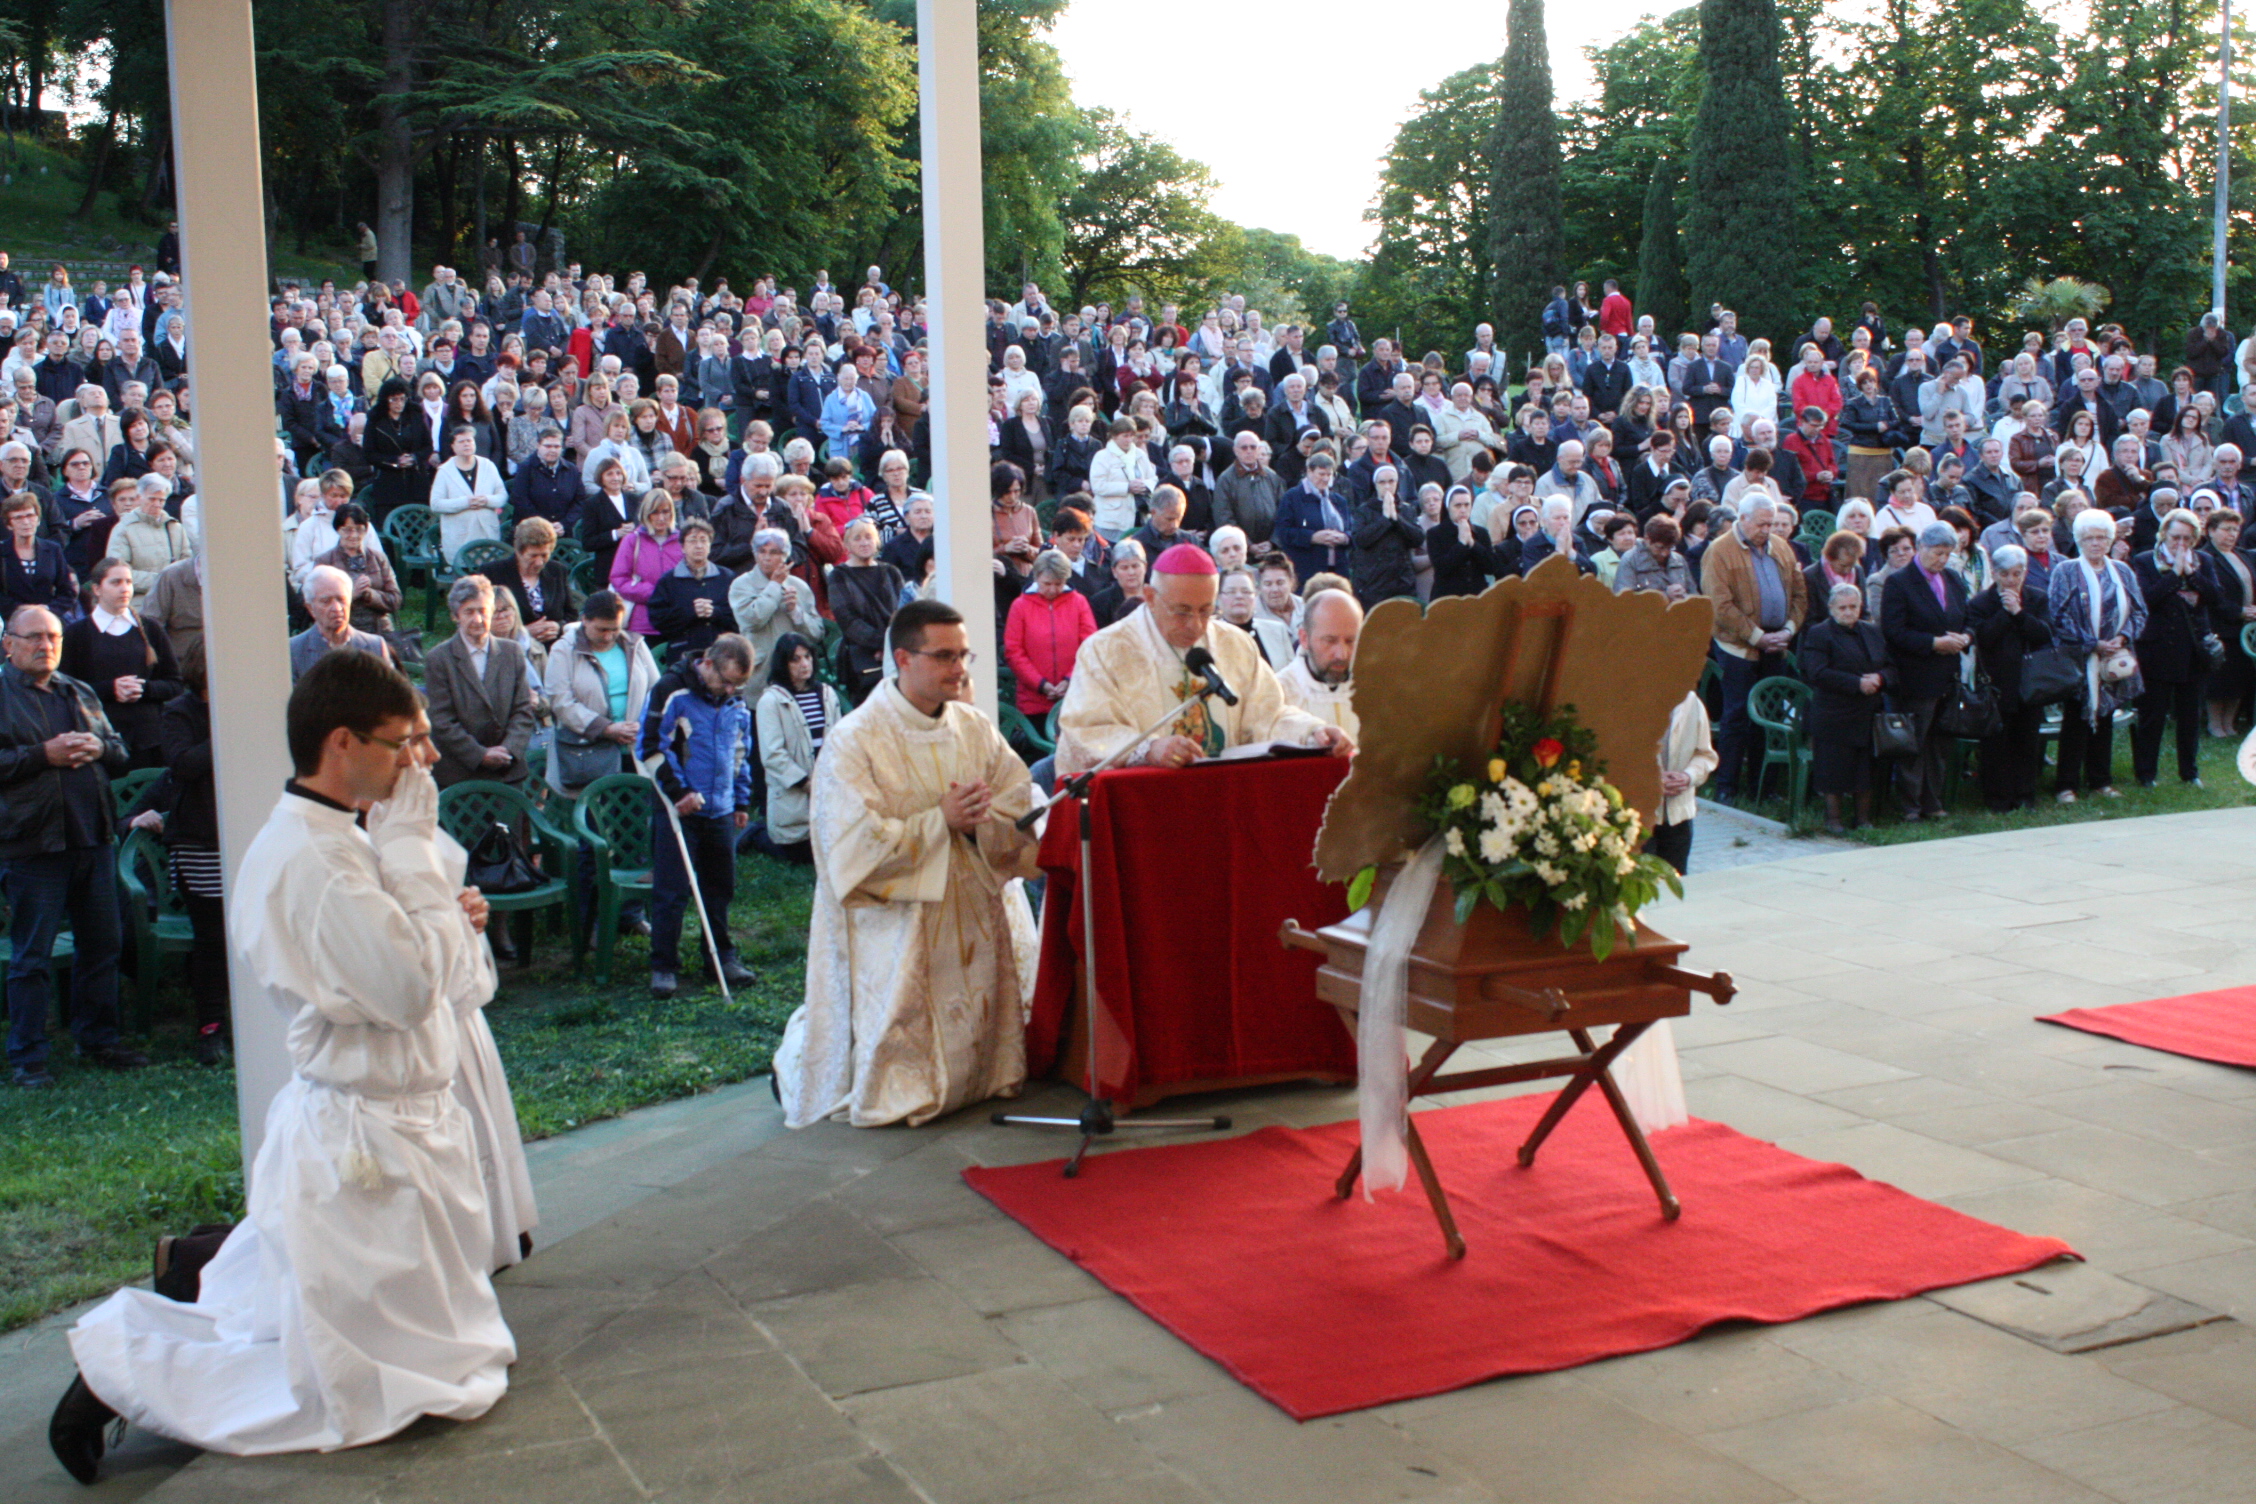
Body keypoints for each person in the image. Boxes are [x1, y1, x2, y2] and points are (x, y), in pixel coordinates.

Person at [52, 651, 514, 1478]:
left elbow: (450, 982)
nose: (420, 762)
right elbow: (407, 987)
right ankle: (119, 1376)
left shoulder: (348, 836)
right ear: (342, 742)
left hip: (405, 1115)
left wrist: (453, 917)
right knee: (345, 1385)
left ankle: (187, 1278)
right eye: (404, 742)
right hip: (363, 1129)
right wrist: (415, 861)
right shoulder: (315, 859)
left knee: (421, 1359)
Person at [772, 599, 1041, 1127]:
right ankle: (898, 1085)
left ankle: (984, 1074)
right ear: (902, 658)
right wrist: (938, 821)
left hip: (968, 899)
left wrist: (991, 819)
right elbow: (848, 846)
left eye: (964, 655)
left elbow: (1015, 793)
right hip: (897, 913)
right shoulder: (855, 740)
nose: (959, 669)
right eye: (944, 656)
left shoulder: (974, 725)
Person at [1055, 543, 1350, 774]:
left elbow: (1269, 715)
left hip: (1222, 796)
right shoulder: (1106, 651)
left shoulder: (1234, 644)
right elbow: (1086, 730)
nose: (1196, 625)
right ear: (1150, 596)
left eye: (1206, 610)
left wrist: (1313, 733)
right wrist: (1149, 749)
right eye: (1182, 611)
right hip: (1146, 806)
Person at [2, 603, 141, 1089]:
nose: (45, 646)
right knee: (32, 956)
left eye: (53, 637)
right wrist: (44, 755)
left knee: (103, 944)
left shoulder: (78, 690)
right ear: (9, 644)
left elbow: (121, 753)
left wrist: (100, 748)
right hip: (33, 845)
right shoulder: (2, 694)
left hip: (94, 838)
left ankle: (98, 1038)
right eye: (34, 637)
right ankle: (28, 1057)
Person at [637, 633, 756, 999]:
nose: (728, 689)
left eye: (737, 684)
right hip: (678, 806)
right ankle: (663, 965)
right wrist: (680, 793)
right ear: (706, 662)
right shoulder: (671, 691)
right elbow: (651, 746)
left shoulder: (734, 699)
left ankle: (720, 957)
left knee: (720, 887)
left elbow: (740, 750)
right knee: (672, 889)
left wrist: (740, 801)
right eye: (724, 680)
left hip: (719, 807)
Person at [1701, 495, 1807, 800]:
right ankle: (1727, 787)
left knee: (1770, 717)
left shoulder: (1781, 547)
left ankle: (1764, 789)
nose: (1767, 529)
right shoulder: (1719, 551)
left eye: (1771, 523)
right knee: (1737, 717)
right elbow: (1720, 605)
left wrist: (1788, 629)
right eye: (1761, 523)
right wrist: (1756, 636)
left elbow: (1800, 593)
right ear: (1742, 519)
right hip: (1738, 646)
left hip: (1776, 643)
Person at [1879, 521, 1973, 821]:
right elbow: (1894, 631)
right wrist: (1934, 642)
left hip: (1949, 675)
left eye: (1947, 553)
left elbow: (1968, 619)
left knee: (1940, 743)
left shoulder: (1954, 580)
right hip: (1916, 676)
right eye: (1937, 553)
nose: (1942, 559)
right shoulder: (1899, 582)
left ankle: (1934, 802)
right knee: (1915, 743)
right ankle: (1910, 805)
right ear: (1920, 548)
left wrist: (1966, 637)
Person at [2050, 509, 2145, 802]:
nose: (2096, 543)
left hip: (2113, 660)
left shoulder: (2123, 571)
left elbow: (2140, 610)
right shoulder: (2066, 571)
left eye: (2102, 537)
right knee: (2076, 721)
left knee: (2105, 716)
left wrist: (2123, 637)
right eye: (2089, 538)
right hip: (2080, 660)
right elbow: (2057, 615)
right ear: (2079, 540)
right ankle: (2066, 785)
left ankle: (2101, 781)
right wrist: (2092, 643)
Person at [61, 555, 182, 769]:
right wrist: (111, 689)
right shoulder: (77, 634)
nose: (124, 588)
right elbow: (65, 690)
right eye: (115, 582)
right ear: (97, 589)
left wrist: (143, 689)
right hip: (101, 740)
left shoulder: (151, 628)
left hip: (151, 740)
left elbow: (175, 684)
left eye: (128, 582)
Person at [2130, 506, 2218, 788]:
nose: (2181, 544)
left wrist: (2191, 576)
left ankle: (2189, 772)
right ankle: (2146, 774)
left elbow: (2215, 596)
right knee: (2152, 715)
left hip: (2194, 649)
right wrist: (2174, 575)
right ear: (2164, 534)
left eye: (2187, 539)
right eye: (2175, 538)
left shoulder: (2204, 560)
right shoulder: (2145, 560)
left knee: (2190, 716)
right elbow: (2146, 599)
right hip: (2157, 648)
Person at [424, 574, 537, 789]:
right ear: (455, 616)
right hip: (461, 775)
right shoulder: (439, 659)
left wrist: (509, 750)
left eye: (483, 610)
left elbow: (523, 708)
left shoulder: (512, 652)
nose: (478, 619)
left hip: (508, 772)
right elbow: (441, 720)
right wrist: (480, 754)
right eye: (469, 612)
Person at [1967, 545, 2054, 812]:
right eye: (2005, 574)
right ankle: (1998, 798)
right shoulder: (1980, 603)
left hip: (2029, 682)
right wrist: (2005, 612)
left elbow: (2044, 634)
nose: (2012, 580)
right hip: (1996, 683)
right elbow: (1984, 638)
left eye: (2018, 574)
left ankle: (2025, 795)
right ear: (1994, 573)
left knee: (2026, 741)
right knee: (1997, 743)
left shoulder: (2036, 598)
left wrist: (2019, 613)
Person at [730, 525, 826, 680]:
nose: (766, 558)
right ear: (755, 554)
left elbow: (817, 634)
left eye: (774, 552)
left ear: (785, 556)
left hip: (797, 676)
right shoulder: (741, 585)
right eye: (761, 551)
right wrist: (774, 586)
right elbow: (752, 621)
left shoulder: (799, 586)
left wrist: (796, 612)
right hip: (761, 673)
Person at [1275, 587, 1361, 740]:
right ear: (1304, 638)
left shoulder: (1378, 690)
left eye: (1350, 641)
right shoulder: (1279, 694)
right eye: (1330, 641)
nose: (1342, 654)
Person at [2202, 507, 2256, 736]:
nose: (2232, 534)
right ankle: (2215, 724)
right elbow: (2210, 597)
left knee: (2240, 679)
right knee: (2220, 681)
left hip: (2247, 630)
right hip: (2221, 628)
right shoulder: (2205, 557)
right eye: (2226, 529)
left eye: (2235, 529)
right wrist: (2238, 612)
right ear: (2211, 531)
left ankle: (2230, 723)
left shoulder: (2244, 554)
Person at [1649, 691, 1717, 870]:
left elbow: (1705, 754)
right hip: (1638, 813)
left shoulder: (1691, 702)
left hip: (1678, 814)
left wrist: (1688, 776)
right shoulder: (1627, 698)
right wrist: (1650, 779)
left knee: (1674, 883)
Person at [290, 564, 390, 680]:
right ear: (310, 608)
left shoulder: (375, 646)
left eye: (341, 600)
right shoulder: (294, 650)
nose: (337, 608)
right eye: (326, 601)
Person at [2, 487, 73, 620]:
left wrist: (48, 609)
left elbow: (67, 592)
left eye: (30, 515)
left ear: (38, 519)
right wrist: (20, 610)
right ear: (9, 524)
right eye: (18, 518)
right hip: (10, 621)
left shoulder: (53, 550)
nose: (26, 522)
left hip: (48, 621)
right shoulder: (2, 552)